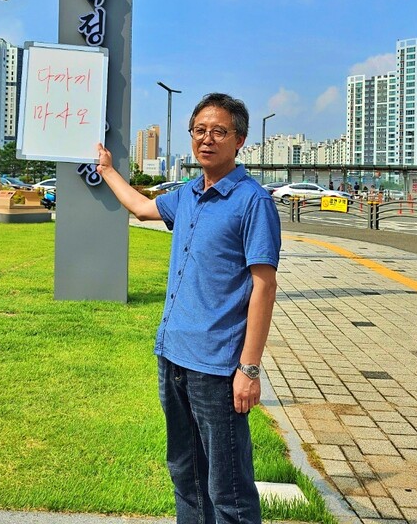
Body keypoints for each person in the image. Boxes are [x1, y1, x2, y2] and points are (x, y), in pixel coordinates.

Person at [96, 93, 280, 524]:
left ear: (240, 141)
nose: (207, 140)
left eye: (219, 132)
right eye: (200, 131)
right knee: (185, 473)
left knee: (228, 487)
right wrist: (106, 170)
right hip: (173, 355)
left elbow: (264, 287)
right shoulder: (189, 194)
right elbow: (142, 208)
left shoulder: (253, 202)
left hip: (217, 367)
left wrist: (249, 370)